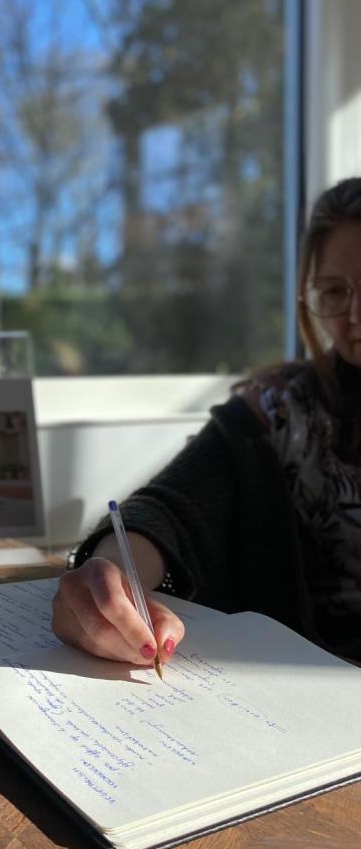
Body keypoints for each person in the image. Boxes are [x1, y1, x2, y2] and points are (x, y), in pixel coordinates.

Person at [53, 177, 361, 668]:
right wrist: (108, 574)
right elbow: (169, 509)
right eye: (334, 292)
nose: (356, 316)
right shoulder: (279, 411)